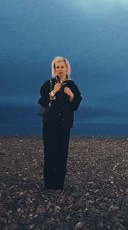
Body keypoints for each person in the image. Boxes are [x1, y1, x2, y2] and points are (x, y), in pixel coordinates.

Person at [38, 56, 82, 190]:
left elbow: (76, 104)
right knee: (50, 153)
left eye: (62, 67)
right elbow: (42, 102)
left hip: (65, 125)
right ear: (54, 69)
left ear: (67, 68)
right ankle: (49, 185)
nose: (60, 69)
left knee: (62, 154)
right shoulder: (49, 84)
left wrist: (72, 96)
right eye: (57, 67)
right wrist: (53, 92)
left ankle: (59, 185)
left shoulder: (72, 85)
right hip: (50, 124)